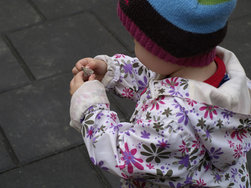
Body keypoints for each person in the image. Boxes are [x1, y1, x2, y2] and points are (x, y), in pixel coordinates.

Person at [69, 0, 251, 187]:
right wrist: (112, 71)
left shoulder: (172, 122)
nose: (133, 42)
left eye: (136, 39)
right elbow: (156, 77)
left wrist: (89, 107)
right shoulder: (214, 73)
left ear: (166, 50)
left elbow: (121, 154)